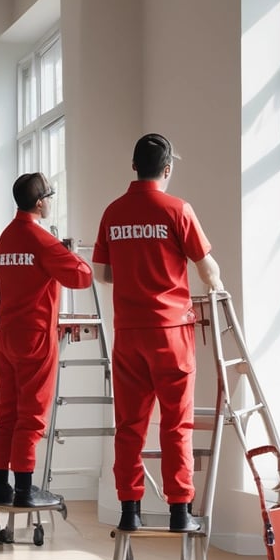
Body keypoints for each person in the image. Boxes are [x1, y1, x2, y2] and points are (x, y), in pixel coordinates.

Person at [92, 133, 223, 532]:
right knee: (175, 423)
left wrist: (135, 280)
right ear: (167, 170)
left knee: (129, 425)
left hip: (129, 333)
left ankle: (129, 509)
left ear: (133, 166)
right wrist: (216, 290)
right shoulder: (177, 209)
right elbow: (207, 268)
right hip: (171, 335)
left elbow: (102, 274)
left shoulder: (113, 212)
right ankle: (180, 512)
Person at [0, 172, 93, 509]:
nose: (50, 202)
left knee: (6, 414)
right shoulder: (40, 239)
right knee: (31, 416)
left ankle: (0, 488)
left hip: (4, 335)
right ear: (39, 202)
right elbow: (82, 277)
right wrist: (69, 253)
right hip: (34, 336)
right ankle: (24, 489)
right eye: (48, 197)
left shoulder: (5, 238)